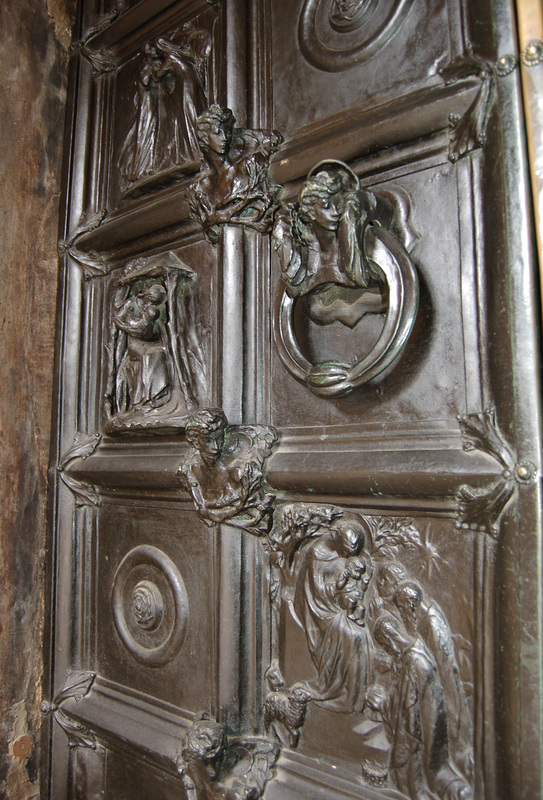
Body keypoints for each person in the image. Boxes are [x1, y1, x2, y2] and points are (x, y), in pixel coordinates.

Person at [369, 615, 473, 800]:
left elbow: (407, 708)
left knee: (408, 776)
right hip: (424, 733)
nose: (387, 651)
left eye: (385, 645)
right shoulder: (415, 652)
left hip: (415, 739)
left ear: (389, 640)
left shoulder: (414, 661)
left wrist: (382, 704)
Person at [272, 163, 387, 328]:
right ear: (310, 210)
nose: (335, 211)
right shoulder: (307, 263)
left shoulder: (356, 244)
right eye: (326, 205)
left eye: (338, 203)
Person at [292, 514, 373, 711]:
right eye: (345, 551)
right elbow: (317, 591)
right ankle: (334, 687)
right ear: (337, 540)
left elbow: (362, 570)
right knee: (352, 635)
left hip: (342, 604)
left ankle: (355, 694)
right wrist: (339, 590)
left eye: (351, 552)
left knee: (359, 636)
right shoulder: (318, 553)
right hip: (322, 609)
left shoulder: (352, 555)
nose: (348, 556)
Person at [393, 581, 473, 780]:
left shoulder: (431, 623)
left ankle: (448, 761)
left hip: (442, 688)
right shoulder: (422, 617)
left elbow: (443, 667)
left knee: (442, 728)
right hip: (433, 685)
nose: (402, 614)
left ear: (410, 605)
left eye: (402, 609)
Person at [189, 104, 283, 241]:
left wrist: (219, 217)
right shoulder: (199, 190)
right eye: (217, 133)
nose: (224, 138)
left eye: (227, 132)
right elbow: (211, 233)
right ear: (204, 137)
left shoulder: (248, 168)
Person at [178, 408, 276, 535]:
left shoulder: (242, 463)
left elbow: (206, 510)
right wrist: (238, 507)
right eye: (207, 441)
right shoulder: (189, 469)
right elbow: (202, 510)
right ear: (195, 442)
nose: (216, 447)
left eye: (219, 438)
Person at [113, 283, 170, 412]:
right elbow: (117, 319)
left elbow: (155, 328)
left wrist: (150, 330)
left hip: (149, 341)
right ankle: (143, 398)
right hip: (134, 343)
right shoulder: (131, 303)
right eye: (152, 299)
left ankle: (156, 395)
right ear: (147, 295)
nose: (152, 303)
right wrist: (128, 328)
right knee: (147, 355)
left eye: (156, 302)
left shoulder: (154, 309)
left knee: (159, 352)